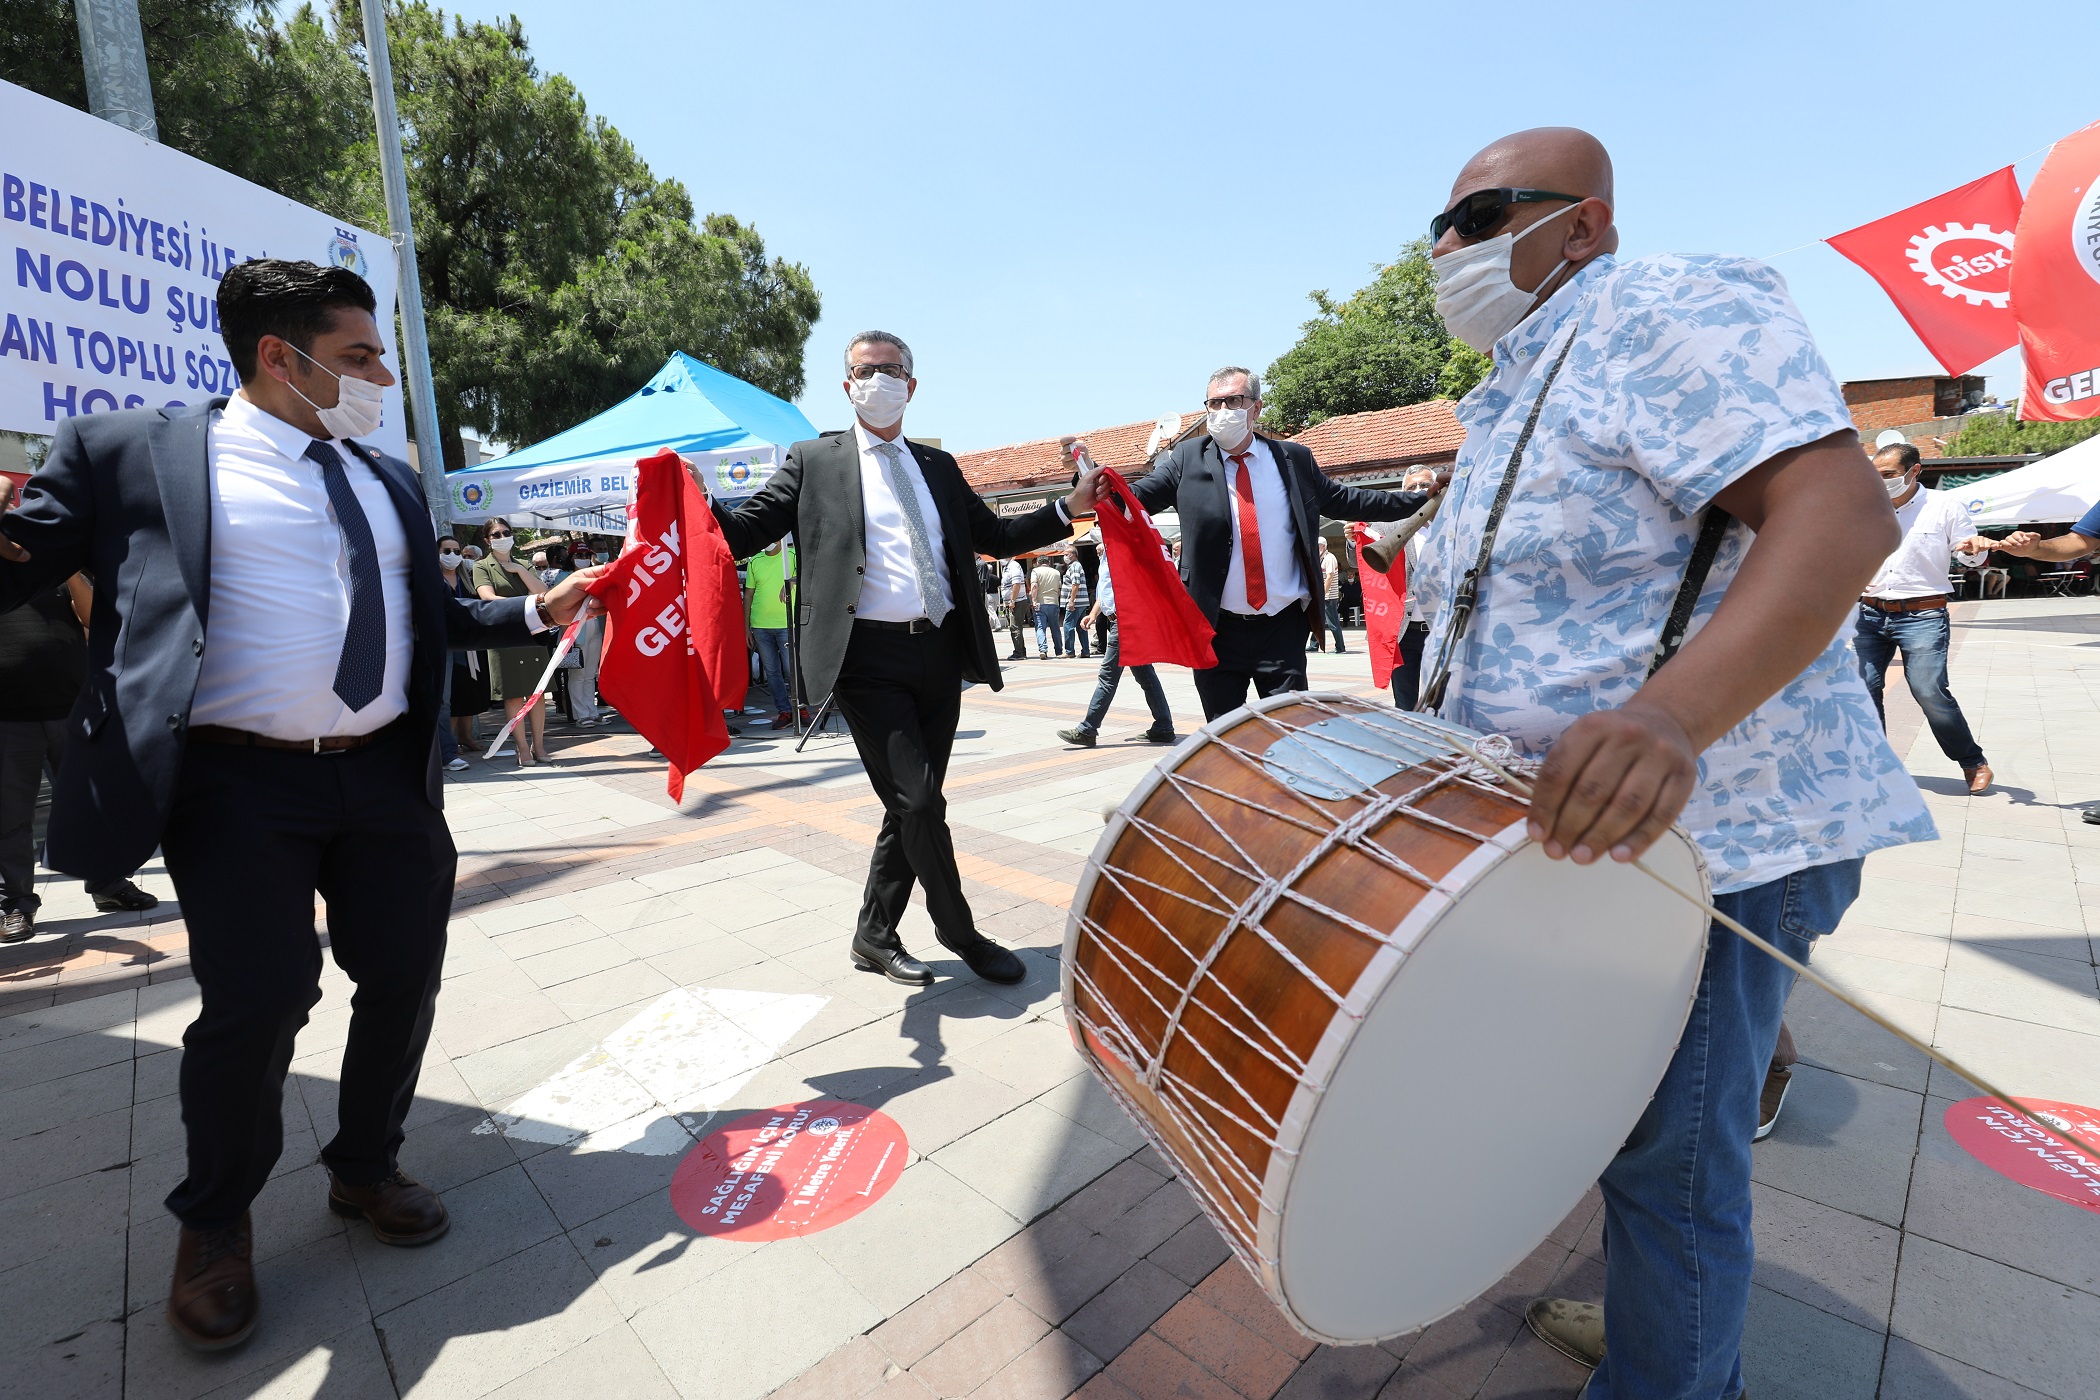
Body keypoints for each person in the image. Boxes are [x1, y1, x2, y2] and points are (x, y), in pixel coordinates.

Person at [1408, 129, 1932, 1398]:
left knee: (1672, 1163)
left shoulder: (1660, 302)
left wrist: (1668, 720)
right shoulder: (1517, 383)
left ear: (1582, 224)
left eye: (1477, 217)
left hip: (1715, 835)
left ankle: (1672, 1370)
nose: (1446, 250)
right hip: (1609, 845)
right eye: (1440, 227)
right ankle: (1664, 1327)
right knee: (1630, 1124)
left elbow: (1837, 511)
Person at [0, 258, 605, 1352]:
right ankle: (216, 1220)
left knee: (405, 975)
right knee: (263, 996)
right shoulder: (132, 452)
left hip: (383, 777)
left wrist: (525, 610)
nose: (382, 374)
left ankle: (365, 1165)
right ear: (279, 356)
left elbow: (425, 616)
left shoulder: (385, 477)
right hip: (236, 784)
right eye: (360, 355)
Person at [708, 330, 1099, 988]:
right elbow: (748, 530)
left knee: (910, 804)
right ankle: (960, 930)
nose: (878, 380)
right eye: (866, 371)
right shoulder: (814, 460)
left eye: (891, 371)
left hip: (940, 652)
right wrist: (695, 502)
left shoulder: (937, 468)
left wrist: (1067, 509)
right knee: (917, 802)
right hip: (866, 657)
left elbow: (997, 536)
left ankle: (873, 934)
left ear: (911, 386)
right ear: (847, 385)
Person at [1118, 368, 1429, 719]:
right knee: (1226, 740)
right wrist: (1090, 477)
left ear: (1256, 408)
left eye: (1233, 401)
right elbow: (1132, 499)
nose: (1222, 411)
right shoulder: (1188, 458)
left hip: (1282, 628)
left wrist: (1422, 499)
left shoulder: (1292, 460)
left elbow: (1351, 500)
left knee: (1292, 732)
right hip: (1215, 628)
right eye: (1214, 403)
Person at [0, 478, 159, 942]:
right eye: (8, 501)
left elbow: (92, 618)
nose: (13, 507)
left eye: (16, 501)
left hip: (72, 706)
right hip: (9, 716)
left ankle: (108, 884)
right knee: (11, 817)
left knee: (94, 802)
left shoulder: (46, 560)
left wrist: (69, 570)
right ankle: (15, 904)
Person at [1855, 443, 1994, 794]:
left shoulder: (1945, 506)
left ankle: (1972, 761)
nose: (1880, 482)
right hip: (1870, 611)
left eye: (1888, 475)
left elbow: (1972, 559)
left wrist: (1973, 551)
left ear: (1914, 471)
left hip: (1923, 613)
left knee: (1928, 689)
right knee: (1862, 687)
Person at [1056, 518, 1176, 749]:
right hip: (1118, 621)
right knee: (1145, 675)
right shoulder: (1107, 554)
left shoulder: (1122, 551)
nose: (1096, 528)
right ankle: (1163, 726)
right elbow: (1107, 591)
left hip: (1124, 623)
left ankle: (1087, 729)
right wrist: (1093, 614)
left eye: (1100, 523)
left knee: (1108, 677)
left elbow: (1134, 586)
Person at [472, 518, 554, 768]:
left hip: (530, 633)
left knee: (537, 693)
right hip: (504, 634)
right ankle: (521, 748)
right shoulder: (482, 566)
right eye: (496, 534)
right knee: (513, 695)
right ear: (487, 540)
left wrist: (518, 570)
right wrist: (524, 605)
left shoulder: (523, 564)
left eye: (506, 532)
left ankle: (538, 745)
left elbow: (542, 593)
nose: (503, 537)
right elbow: (488, 598)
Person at [438, 536, 492, 755]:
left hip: (470, 644)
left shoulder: (467, 580)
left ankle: (466, 736)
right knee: (451, 694)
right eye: (446, 551)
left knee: (469, 690)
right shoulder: (433, 580)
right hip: (446, 644)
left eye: (456, 551)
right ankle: (449, 742)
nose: (453, 556)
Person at [1391, 468, 1438, 709]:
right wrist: (1350, 540)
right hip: (1404, 632)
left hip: (1442, 628)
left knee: (1441, 700)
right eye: (1411, 488)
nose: (1418, 491)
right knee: (1405, 702)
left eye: (1424, 485)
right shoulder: (1390, 527)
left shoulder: (1452, 524)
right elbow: (1362, 559)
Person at [746, 539, 797, 728]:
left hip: (786, 624)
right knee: (773, 672)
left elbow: (810, 577)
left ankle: (799, 708)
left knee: (791, 670)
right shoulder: (754, 561)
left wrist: (790, 581)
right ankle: (784, 711)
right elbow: (748, 595)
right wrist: (746, 628)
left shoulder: (791, 556)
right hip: (760, 626)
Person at [1310, 536, 1348, 653]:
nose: (1316, 548)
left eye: (1319, 545)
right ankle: (1314, 645)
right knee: (1317, 621)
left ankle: (1340, 647)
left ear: (1324, 546)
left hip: (1328, 596)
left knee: (1332, 622)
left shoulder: (1329, 558)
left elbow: (1330, 577)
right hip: (1322, 596)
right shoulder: (1320, 558)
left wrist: (1323, 593)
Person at [1030, 551, 1066, 657]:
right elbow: (1059, 589)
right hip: (1054, 602)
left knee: (1040, 627)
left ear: (1037, 562)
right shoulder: (1056, 572)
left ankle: (1043, 650)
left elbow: (1034, 586)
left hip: (1040, 602)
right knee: (1055, 627)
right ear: (1048, 562)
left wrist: (1033, 600)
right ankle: (1059, 650)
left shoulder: (1035, 571)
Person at [1060, 546, 1092, 659]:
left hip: (1076, 602)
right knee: (1081, 626)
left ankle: (1069, 651)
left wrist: (1071, 601)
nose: (1064, 556)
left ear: (1073, 555)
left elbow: (1075, 584)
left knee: (1068, 625)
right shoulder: (1075, 566)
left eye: (1066, 554)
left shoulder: (1074, 566)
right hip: (1081, 601)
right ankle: (1085, 651)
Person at [1001, 556, 1031, 659]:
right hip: (1013, 601)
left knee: (1015, 627)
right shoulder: (1007, 567)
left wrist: (1012, 600)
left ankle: (1019, 652)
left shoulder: (1014, 566)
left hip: (1017, 601)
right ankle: (1020, 651)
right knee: (1014, 627)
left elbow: (1016, 584)